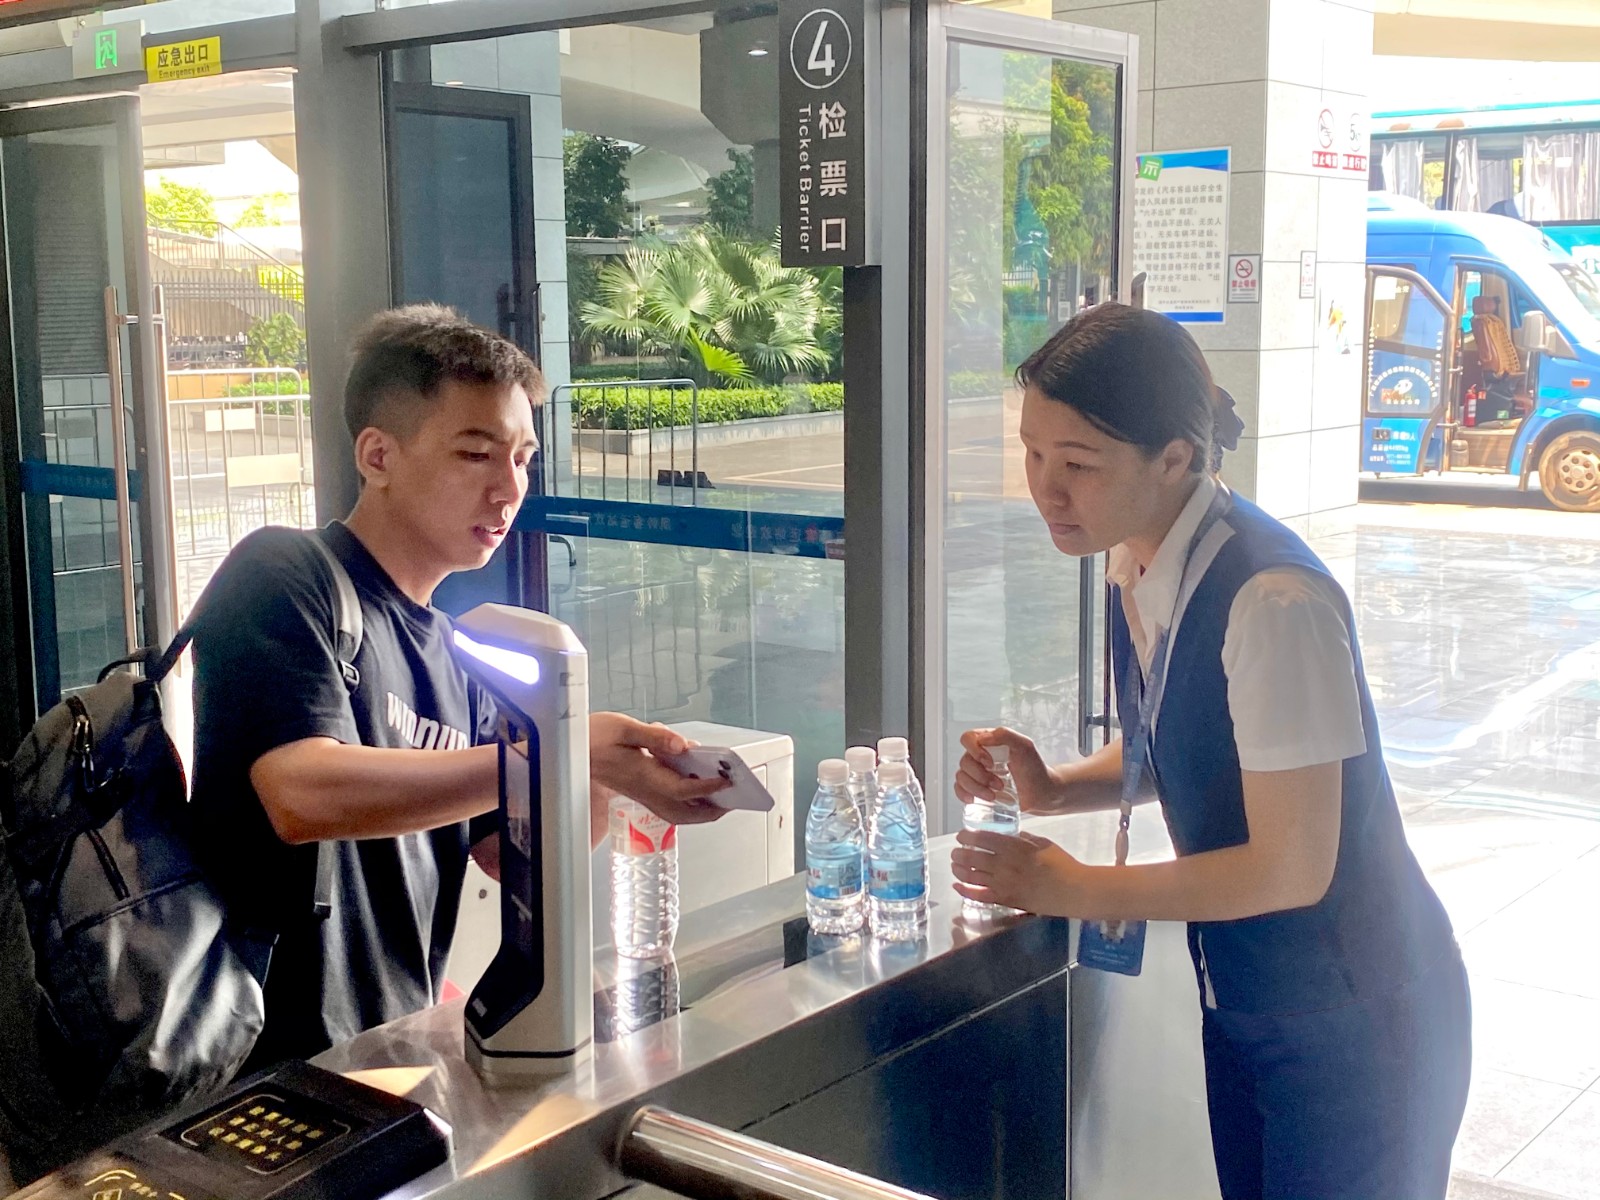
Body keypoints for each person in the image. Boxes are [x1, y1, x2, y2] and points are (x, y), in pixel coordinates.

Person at [950, 304, 1470, 1200]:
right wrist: (1056, 788)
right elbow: (1194, 740)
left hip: (1356, 1015)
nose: (1046, 490)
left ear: (1175, 458)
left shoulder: (1273, 602)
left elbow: (1291, 867)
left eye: (1078, 464)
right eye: (1032, 454)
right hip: (1249, 999)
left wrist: (1074, 885)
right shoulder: (1142, 560)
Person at [190, 305, 727, 1071]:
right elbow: (301, 795)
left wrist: (608, 779)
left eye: (524, 459)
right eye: (476, 455)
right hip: (260, 1065)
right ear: (378, 455)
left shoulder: (455, 652)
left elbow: (506, 855)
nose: (510, 490)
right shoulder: (282, 574)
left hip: (386, 1052)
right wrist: (557, 751)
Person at [1469, 294, 1522, 423]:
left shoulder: (1494, 322)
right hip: (1497, 373)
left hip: (1502, 374)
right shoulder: (1483, 324)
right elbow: (1490, 359)